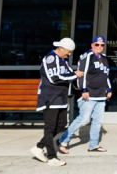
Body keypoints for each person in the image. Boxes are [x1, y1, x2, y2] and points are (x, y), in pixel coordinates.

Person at [31, 37, 80, 166]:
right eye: (68, 51)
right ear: (61, 48)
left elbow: (70, 75)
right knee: (50, 128)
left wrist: (78, 83)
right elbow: (55, 78)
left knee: (62, 124)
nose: (69, 54)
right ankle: (52, 157)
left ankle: (38, 147)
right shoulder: (50, 59)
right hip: (50, 97)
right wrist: (74, 75)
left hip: (61, 98)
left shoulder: (63, 61)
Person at [58, 35, 112, 153]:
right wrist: (83, 90)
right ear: (92, 45)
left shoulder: (104, 58)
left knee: (97, 121)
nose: (99, 47)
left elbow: (105, 75)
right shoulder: (87, 56)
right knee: (83, 119)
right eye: (97, 44)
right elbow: (82, 74)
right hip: (89, 93)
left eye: (102, 45)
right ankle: (63, 140)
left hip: (101, 94)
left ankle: (93, 145)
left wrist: (109, 89)